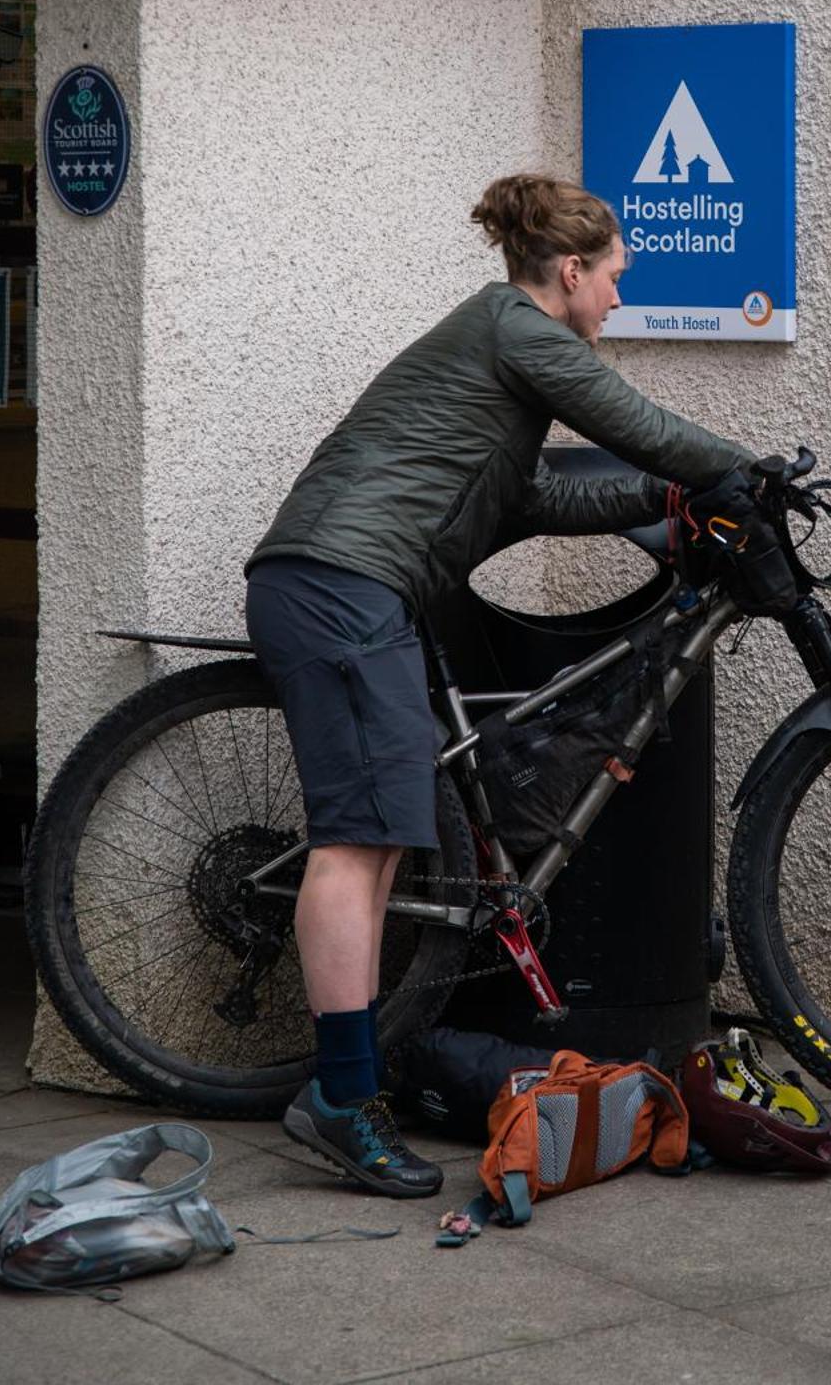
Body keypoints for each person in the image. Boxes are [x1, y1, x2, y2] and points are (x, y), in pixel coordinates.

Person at [244, 175, 756, 1196]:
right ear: (569, 271)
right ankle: (341, 1101)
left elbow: (527, 497)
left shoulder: (497, 357)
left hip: (357, 587)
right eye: (614, 278)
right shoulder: (517, 329)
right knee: (355, 846)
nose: (617, 300)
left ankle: (347, 1087)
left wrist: (663, 498)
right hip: (344, 584)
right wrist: (744, 468)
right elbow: (634, 420)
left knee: (384, 838)